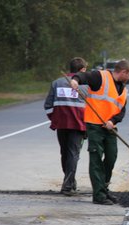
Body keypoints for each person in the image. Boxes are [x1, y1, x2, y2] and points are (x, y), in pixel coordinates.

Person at [69, 59, 129, 205]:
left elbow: (121, 111)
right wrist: (75, 81)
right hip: (94, 126)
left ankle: (104, 189)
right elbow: (82, 76)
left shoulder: (123, 89)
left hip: (110, 128)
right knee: (96, 159)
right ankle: (99, 196)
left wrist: (113, 122)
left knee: (111, 157)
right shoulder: (100, 77)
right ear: (123, 72)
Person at [44, 57, 88, 196]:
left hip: (61, 124)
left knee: (65, 153)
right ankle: (68, 186)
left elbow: (48, 105)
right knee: (73, 154)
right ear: (82, 70)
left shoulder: (57, 83)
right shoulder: (86, 86)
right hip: (78, 125)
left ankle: (70, 181)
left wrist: (55, 119)